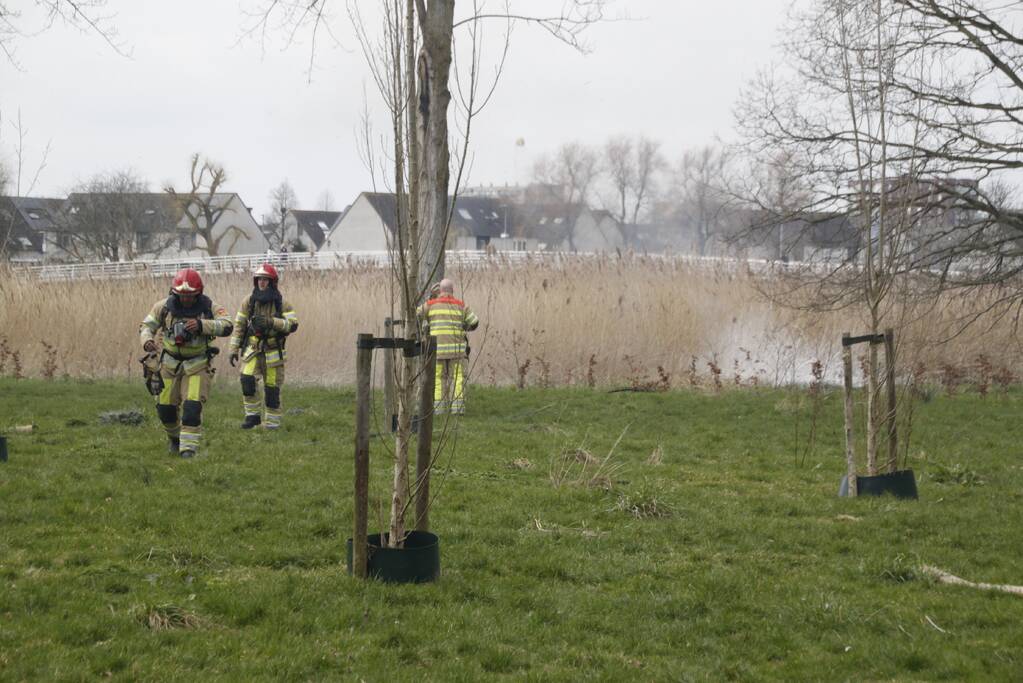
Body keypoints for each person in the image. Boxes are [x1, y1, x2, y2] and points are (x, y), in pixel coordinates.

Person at [139, 268, 233, 458]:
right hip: (168, 365)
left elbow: (227, 324)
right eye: (181, 295)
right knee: (165, 408)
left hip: (197, 365)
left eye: (190, 296)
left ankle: (188, 449)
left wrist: (201, 326)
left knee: (192, 407)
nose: (186, 299)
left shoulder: (209, 307)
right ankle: (174, 439)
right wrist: (147, 341)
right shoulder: (163, 307)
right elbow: (146, 325)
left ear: (198, 293)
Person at [228, 263, 299, 430]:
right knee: (247, 380)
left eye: (265, 280)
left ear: (272, 282)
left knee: (272, 389)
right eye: (259, 279)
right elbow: (239, 326)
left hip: (273, 352)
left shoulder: (282, 304)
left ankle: (272, 423)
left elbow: (293, 325)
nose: (262, 283)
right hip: (253, 349)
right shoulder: (249, 301)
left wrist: (271, 322)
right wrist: (233, 349)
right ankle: (252, 417)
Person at [418, 278, 479, 415]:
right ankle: (457, 409)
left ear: (439, 291)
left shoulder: (430, 304)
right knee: (458, 378)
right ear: (452, 291)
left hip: (437, 352)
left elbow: (415, 315)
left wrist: (426, 326)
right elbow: (475, 322)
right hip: (456, 352)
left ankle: (439, 410)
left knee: (438, 378)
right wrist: (463, 327)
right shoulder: (461, 305)